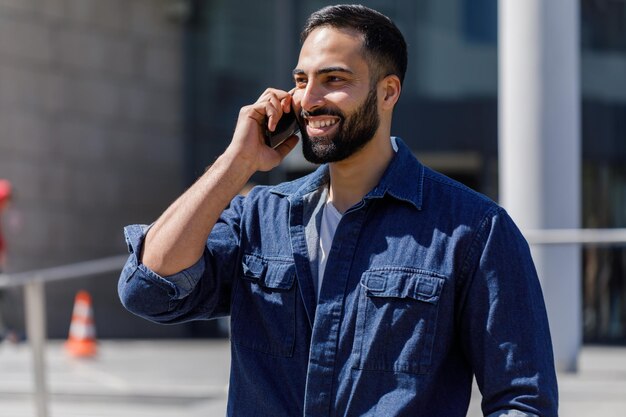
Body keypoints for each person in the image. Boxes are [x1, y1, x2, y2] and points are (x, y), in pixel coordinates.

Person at [118, 4, 558, 416]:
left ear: (388, 93)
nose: (309, 99)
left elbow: (522, 399)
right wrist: (236, 163)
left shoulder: (475, 230)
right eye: (302, 80)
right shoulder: (259, 217)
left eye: (334, 79)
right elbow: (148, 288)